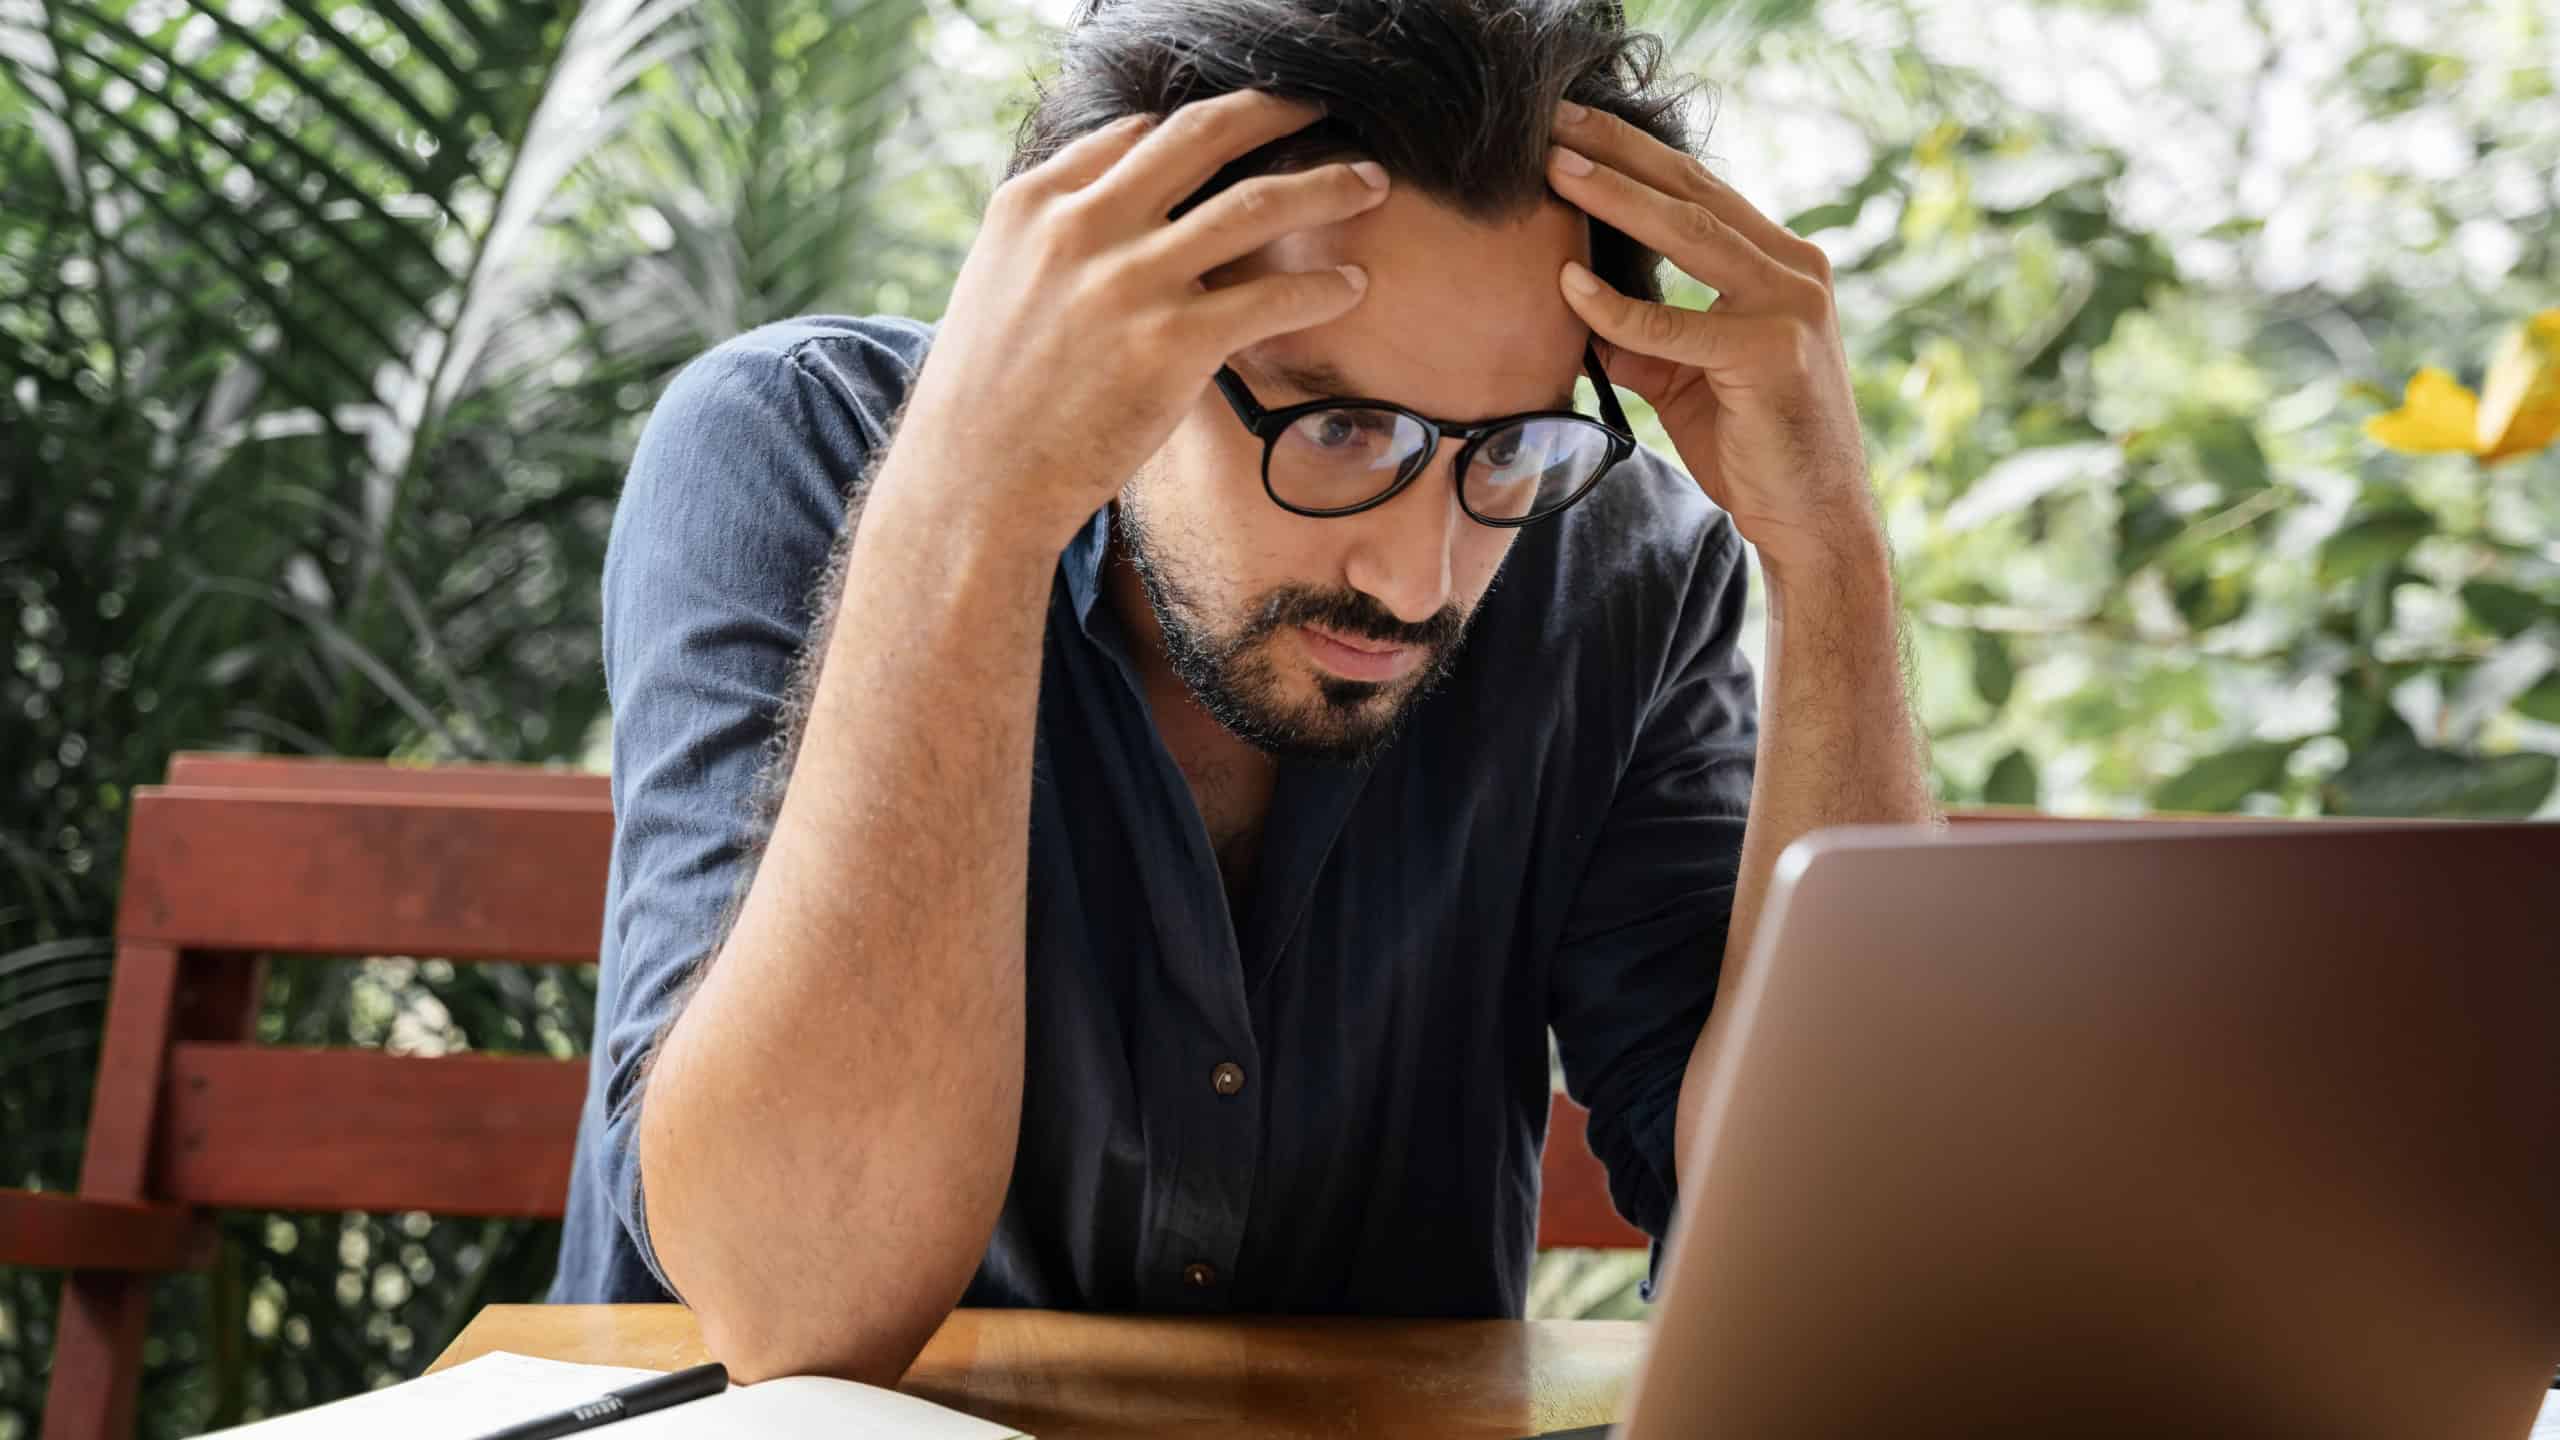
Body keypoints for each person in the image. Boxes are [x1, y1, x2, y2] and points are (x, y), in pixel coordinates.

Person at [549, 0, 1937, 1386]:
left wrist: (1832, 557)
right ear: (1111, 317)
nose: (1417, 577)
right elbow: (796, 1305)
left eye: (1511, 443)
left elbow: (1849, 1262)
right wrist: (971, 510)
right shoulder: (797, 449)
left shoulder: (1617, 570)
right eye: (1339, 427)